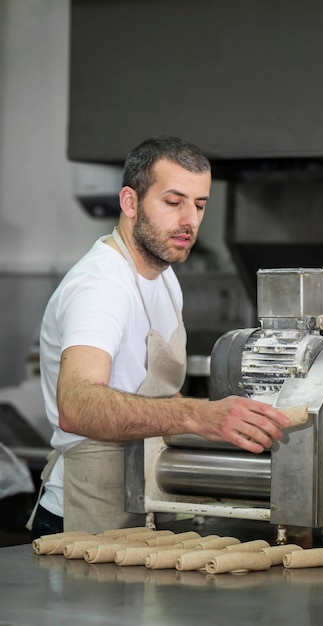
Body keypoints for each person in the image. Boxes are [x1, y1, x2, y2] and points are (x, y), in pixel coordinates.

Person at [27, 136, 291, 539]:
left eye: (199, 205)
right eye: (174, 202)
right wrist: (199, 415)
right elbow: (76, 406)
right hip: (85, 515)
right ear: (130, 202)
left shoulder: (164, 277)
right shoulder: (102, 287)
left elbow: (148, 395)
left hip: (146, 501)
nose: (190, 220)